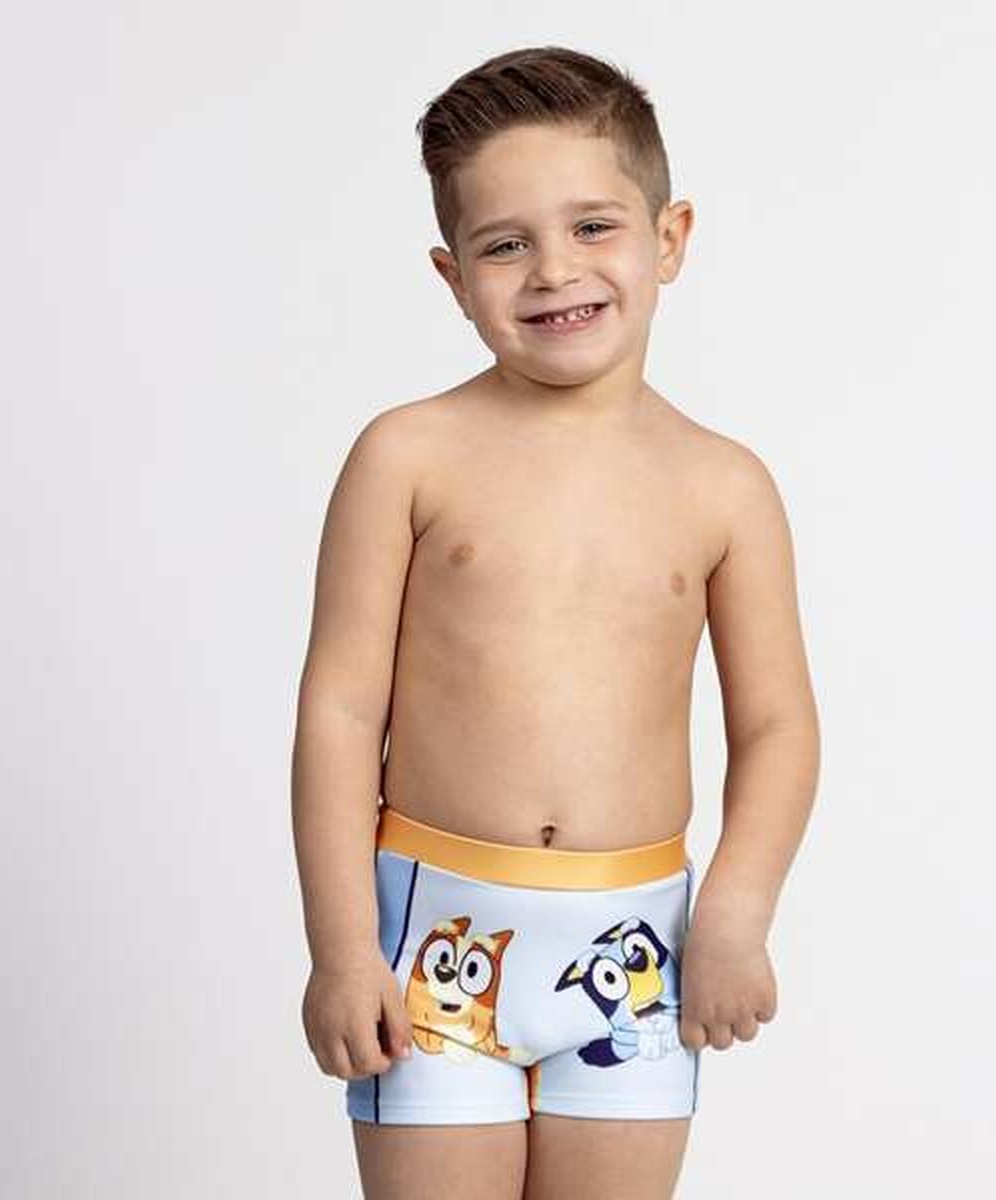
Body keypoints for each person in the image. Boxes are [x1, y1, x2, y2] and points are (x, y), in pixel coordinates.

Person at [291, 44, 820, 1200]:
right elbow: (339, 711)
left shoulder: (724, 486)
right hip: (432, 935)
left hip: (637, 946)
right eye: (505, 244)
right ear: (452, 275)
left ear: (669, 237)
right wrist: (341, 947)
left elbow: (778, 726)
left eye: (592, 226)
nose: (553, 270)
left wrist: (736, 910)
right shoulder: (408, 456)